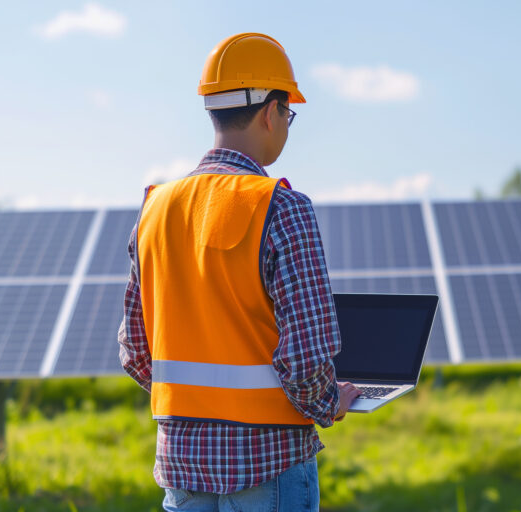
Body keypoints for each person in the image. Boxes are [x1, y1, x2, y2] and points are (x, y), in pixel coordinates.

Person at [117, 32, 361, 512]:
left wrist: (200, 413)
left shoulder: (155, 209)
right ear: (272, 110)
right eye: (288, 114)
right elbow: (306, 359)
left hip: (182, 468)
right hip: (269, 465)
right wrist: (327, 402)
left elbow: (136, 352)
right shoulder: (282, 208)